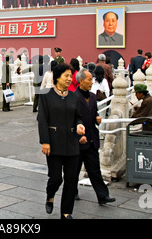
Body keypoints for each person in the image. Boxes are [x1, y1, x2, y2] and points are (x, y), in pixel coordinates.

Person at [38, 63, 86, 219]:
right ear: (57, 77)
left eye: (70, 76)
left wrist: (79, 125)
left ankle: (66, 212)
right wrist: (45, 141)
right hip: (53, 143)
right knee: (56, 178)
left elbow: (78, 116)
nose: (69, 79)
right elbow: (42, 120)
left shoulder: (74, 96)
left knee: (71, 180)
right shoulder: (46, 95)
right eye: (66, 75)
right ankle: (50, 195)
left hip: (72, 143)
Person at [74, 69, 115, 205]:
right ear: (81, 81)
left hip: (91, 139)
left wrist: (97, 119)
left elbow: (94, 113)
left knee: (95, 170)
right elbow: (71, 119)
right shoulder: (73, 97)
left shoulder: (92, 97)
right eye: (89, 79)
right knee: (74, 170)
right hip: (78, 140)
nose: (92, 82)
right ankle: (72, 192)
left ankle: (103, 196)